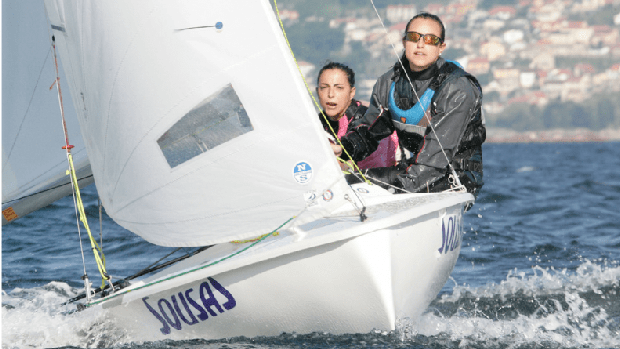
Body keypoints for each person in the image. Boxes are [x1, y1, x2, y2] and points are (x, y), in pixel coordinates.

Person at [336, 13, 485, 197]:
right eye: (414, 37)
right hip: (414, 170)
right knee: (346, 181)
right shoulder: (388, 82)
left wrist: (394, 190)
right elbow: (368, 132)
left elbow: (435, 159)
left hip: (455, 177)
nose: (421, 44)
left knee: (367, 184)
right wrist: (342, 149)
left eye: (430, 39)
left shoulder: (458, 89)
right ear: (404, 41)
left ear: (441, 48)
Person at [316, 62, 399, 170]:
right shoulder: (315, 124)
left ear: (352, 93)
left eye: (339, 88)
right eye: (324, 87)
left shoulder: (369, 121)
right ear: (317, 92)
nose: (330, 94)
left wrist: (339, 158)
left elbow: (368, 161)